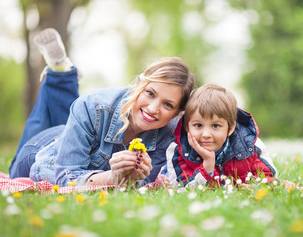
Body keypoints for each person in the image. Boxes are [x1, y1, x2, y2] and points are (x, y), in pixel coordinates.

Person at [9, 28, 195, 187]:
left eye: (168, 105)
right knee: (36, 127)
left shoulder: (170, 136)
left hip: (74, 134)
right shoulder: (95, 106)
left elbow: (142, 186)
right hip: (42, 149)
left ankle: (62, 73)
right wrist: (112, 177)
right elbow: (65, 176)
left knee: (70, 118)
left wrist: (136, 179)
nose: (153, 108)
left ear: (177, 113)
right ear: (138, 84)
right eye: (150, 93)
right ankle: (61, 75)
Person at [162, 84, 278, 188]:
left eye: (216, 126)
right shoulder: (177, 151)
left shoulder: (250, 146)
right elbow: (181, 190)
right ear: (187, 127)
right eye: (198, 125)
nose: (206, 135)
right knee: (162, 182)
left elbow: (270, 177)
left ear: (230, 128)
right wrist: (207, 166)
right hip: (167, 174)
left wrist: (254, 187)